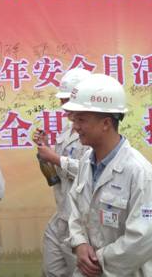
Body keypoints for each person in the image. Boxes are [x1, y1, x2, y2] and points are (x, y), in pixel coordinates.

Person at [63, 74, 152, 276]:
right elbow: (75, 210)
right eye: (74, 119)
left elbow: (145, 237)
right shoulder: (86, 162)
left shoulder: (140, 173)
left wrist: (100, 260)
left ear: (106, 123)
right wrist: (79, 243)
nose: (75, 127)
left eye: (81, 119)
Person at [31, 68, 91, 276]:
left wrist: (55, 157)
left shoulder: (92, 134)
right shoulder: (67, 131)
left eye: (67, 99)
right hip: (62, 214)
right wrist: (45, 150)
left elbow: (91, 171)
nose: (62, 104)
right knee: (51, 270)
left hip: (82, 220)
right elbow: (55, 175)